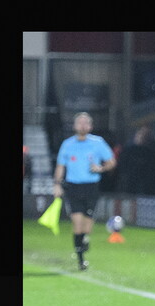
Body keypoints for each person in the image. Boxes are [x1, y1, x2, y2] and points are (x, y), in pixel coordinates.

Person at [53, 112, 117, 271]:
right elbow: (61, 166)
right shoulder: (67, 144)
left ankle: (84, 239)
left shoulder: (98, 143)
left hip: (91, 187)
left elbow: (111, 162)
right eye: (79, 122)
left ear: (90, 126)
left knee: (87, 226)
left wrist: (100, 168)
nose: (82, 125)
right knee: (77, 222)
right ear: (74, 126)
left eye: (85, 123)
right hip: (73, 187)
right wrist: (57, 184)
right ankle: (81, 259)